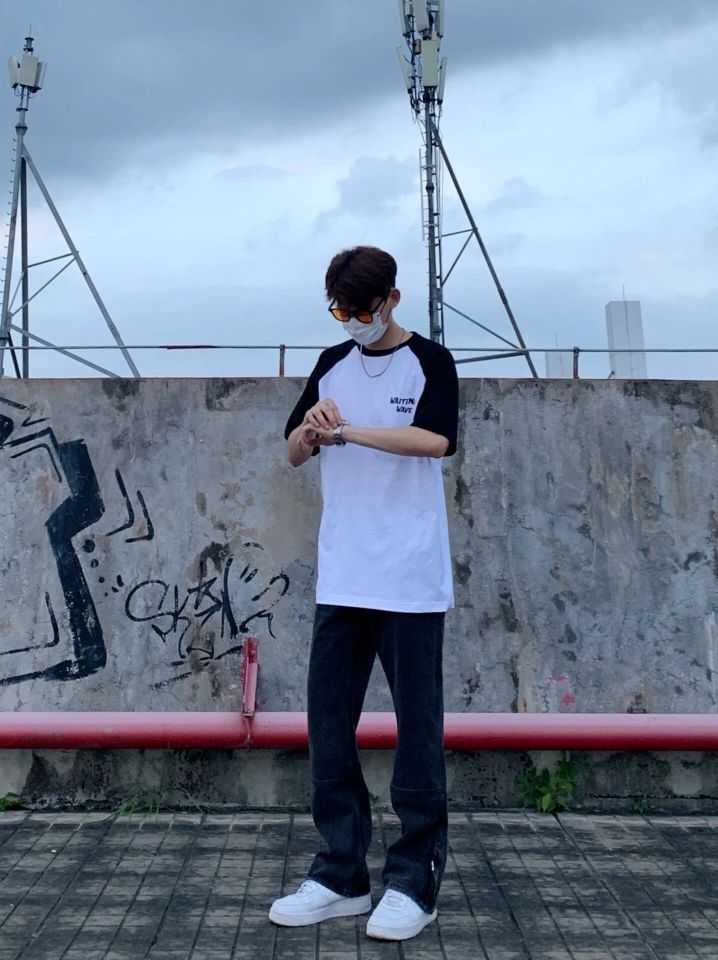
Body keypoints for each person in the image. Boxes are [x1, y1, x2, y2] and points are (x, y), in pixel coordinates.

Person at [269, 245, 458, 942]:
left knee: (418, 733)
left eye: (361, 310)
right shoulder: (331, 365)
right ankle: (340, 874)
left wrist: (347, 430)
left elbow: (435, 440)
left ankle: (413, 882)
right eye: (339, 311)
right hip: (343, 576)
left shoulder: (430, 362)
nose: (351, 322)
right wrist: (312, 432)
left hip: (410, 579)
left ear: (392, 300)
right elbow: (291, 450)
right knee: (328, 727)